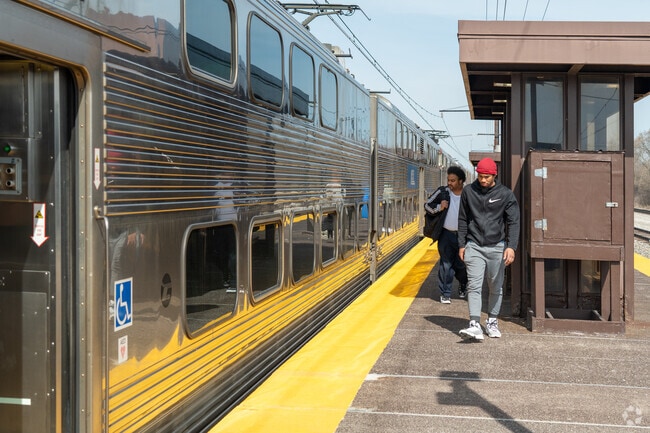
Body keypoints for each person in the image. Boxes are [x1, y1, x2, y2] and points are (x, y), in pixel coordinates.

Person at [458, 158, 520, 340]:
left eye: (486, 177)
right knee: (474, 285)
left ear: (494, 175)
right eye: (480, 176)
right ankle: (474, 324)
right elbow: (462, 219)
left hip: (497, 247)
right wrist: (462, 244)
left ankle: (492, 321)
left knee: (495, 286)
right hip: (474, 245)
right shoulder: (468, 192)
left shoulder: (505, 194)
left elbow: (514, 222)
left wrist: (511, 247)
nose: (483, 180)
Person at [425, 166, 468, 304]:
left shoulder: (468, 194)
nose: (450, 183)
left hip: (463, 236)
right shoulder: (443, 192)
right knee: (446, 264)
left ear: (461, 181)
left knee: (461, 265)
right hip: (446, 235)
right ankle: (445, 293)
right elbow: (427, 205)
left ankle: (463, 283)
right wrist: (439, 207)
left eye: (453, 180)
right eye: (449, 180)